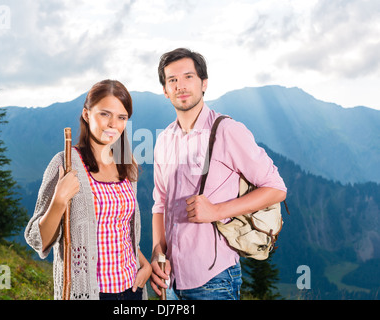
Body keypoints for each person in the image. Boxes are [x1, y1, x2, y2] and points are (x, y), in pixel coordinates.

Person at [150, 48, 287, 300]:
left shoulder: (227, 130)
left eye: (188, 77)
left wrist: (217, 211)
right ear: (165, 90)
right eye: (172, 80)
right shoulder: (163, 140)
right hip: (170, 281)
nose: (180, 85)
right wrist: (158, 252)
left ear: (204, 83)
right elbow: (160, 203)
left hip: (214, 279)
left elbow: (276, 188)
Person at [25, 79, 151, 300]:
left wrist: (145, 265)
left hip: (132, 289)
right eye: (105, 114)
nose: (113, 124)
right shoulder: (65, 163)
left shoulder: (126, 163)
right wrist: (58, 201)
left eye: (122, 117)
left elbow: (119, 231)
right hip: (90, 293)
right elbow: (38, 241)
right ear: (86, 114)